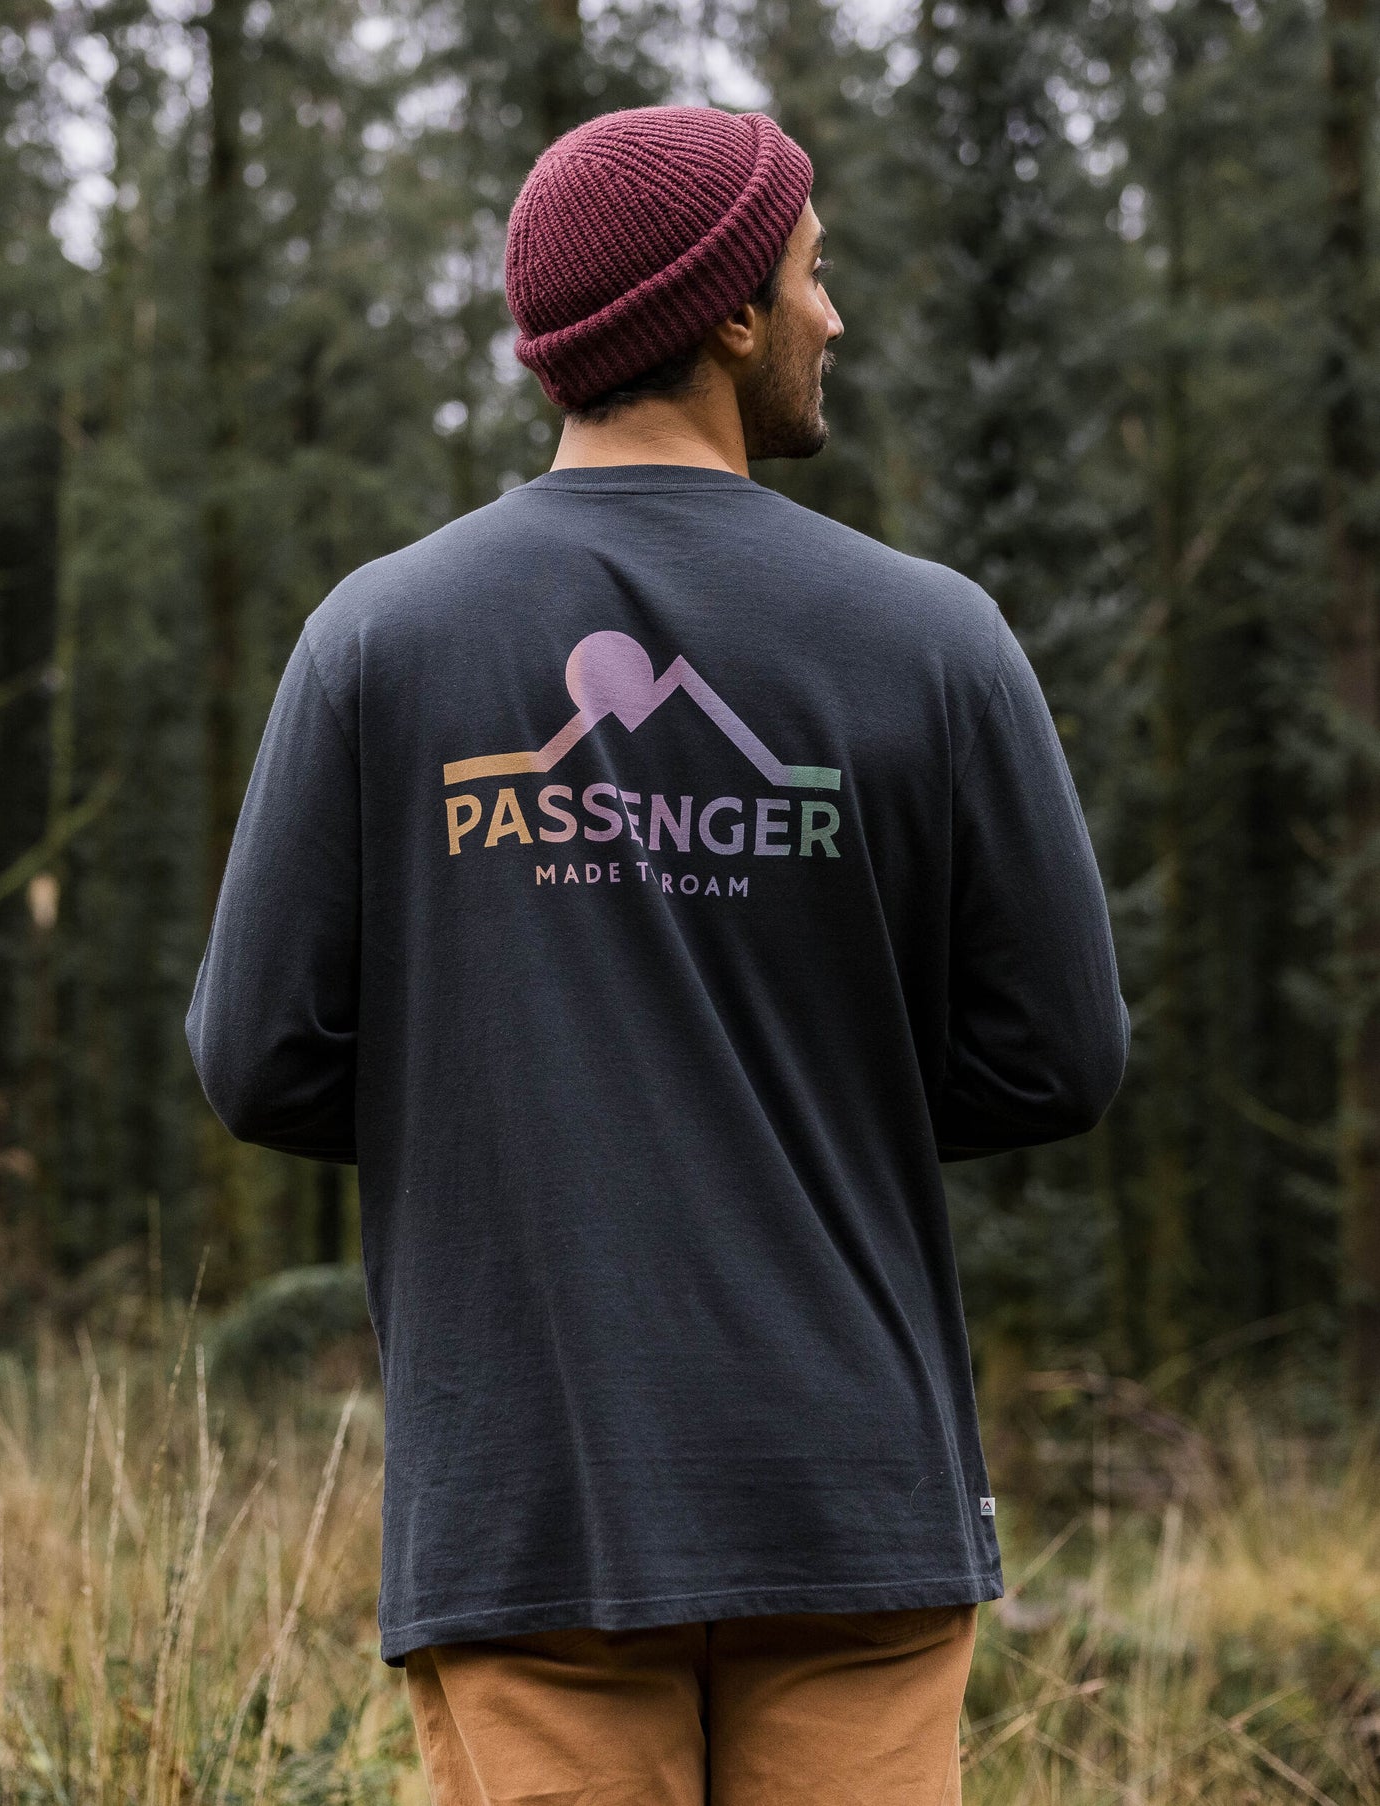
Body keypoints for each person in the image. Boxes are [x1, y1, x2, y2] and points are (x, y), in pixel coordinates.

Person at [186, 103, 1130, 1806]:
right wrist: (804, 1099)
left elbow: (260, 1056)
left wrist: (528, 1101)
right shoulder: (933, 640)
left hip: (532, 1495)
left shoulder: (380, 637)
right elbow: (1055, 1055)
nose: (834, 312)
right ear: (730, 316)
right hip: (849, 1494)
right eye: (812, 272)